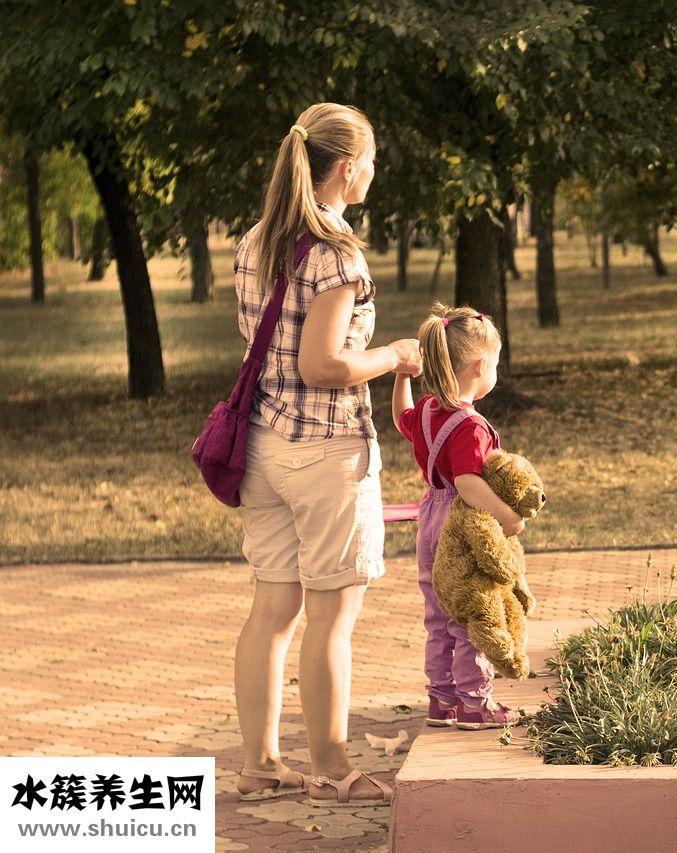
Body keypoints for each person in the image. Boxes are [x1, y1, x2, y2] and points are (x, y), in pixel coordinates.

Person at [232, 103, 422, 807]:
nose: (373, 173)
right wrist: (395, 355)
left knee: (270, 610)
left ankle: (260, 764)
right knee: (330, 618)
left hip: (262, 447)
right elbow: (322, 365)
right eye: (370, 162)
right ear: (346, 168)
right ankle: (334, 768)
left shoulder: (257, 241)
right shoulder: (338, 256)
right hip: (326, 454)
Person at [391, 303, 524, 729]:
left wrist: (401, 378)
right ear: (481, 366)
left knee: (438, 615)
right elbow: (467, 482)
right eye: (496, 364)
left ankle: (441, 698)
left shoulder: (429, 409)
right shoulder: (472, 426)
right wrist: (507, 516)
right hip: (460, 526)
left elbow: (400, 418)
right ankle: (474, 702)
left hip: (429, 517)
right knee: (471, 610)